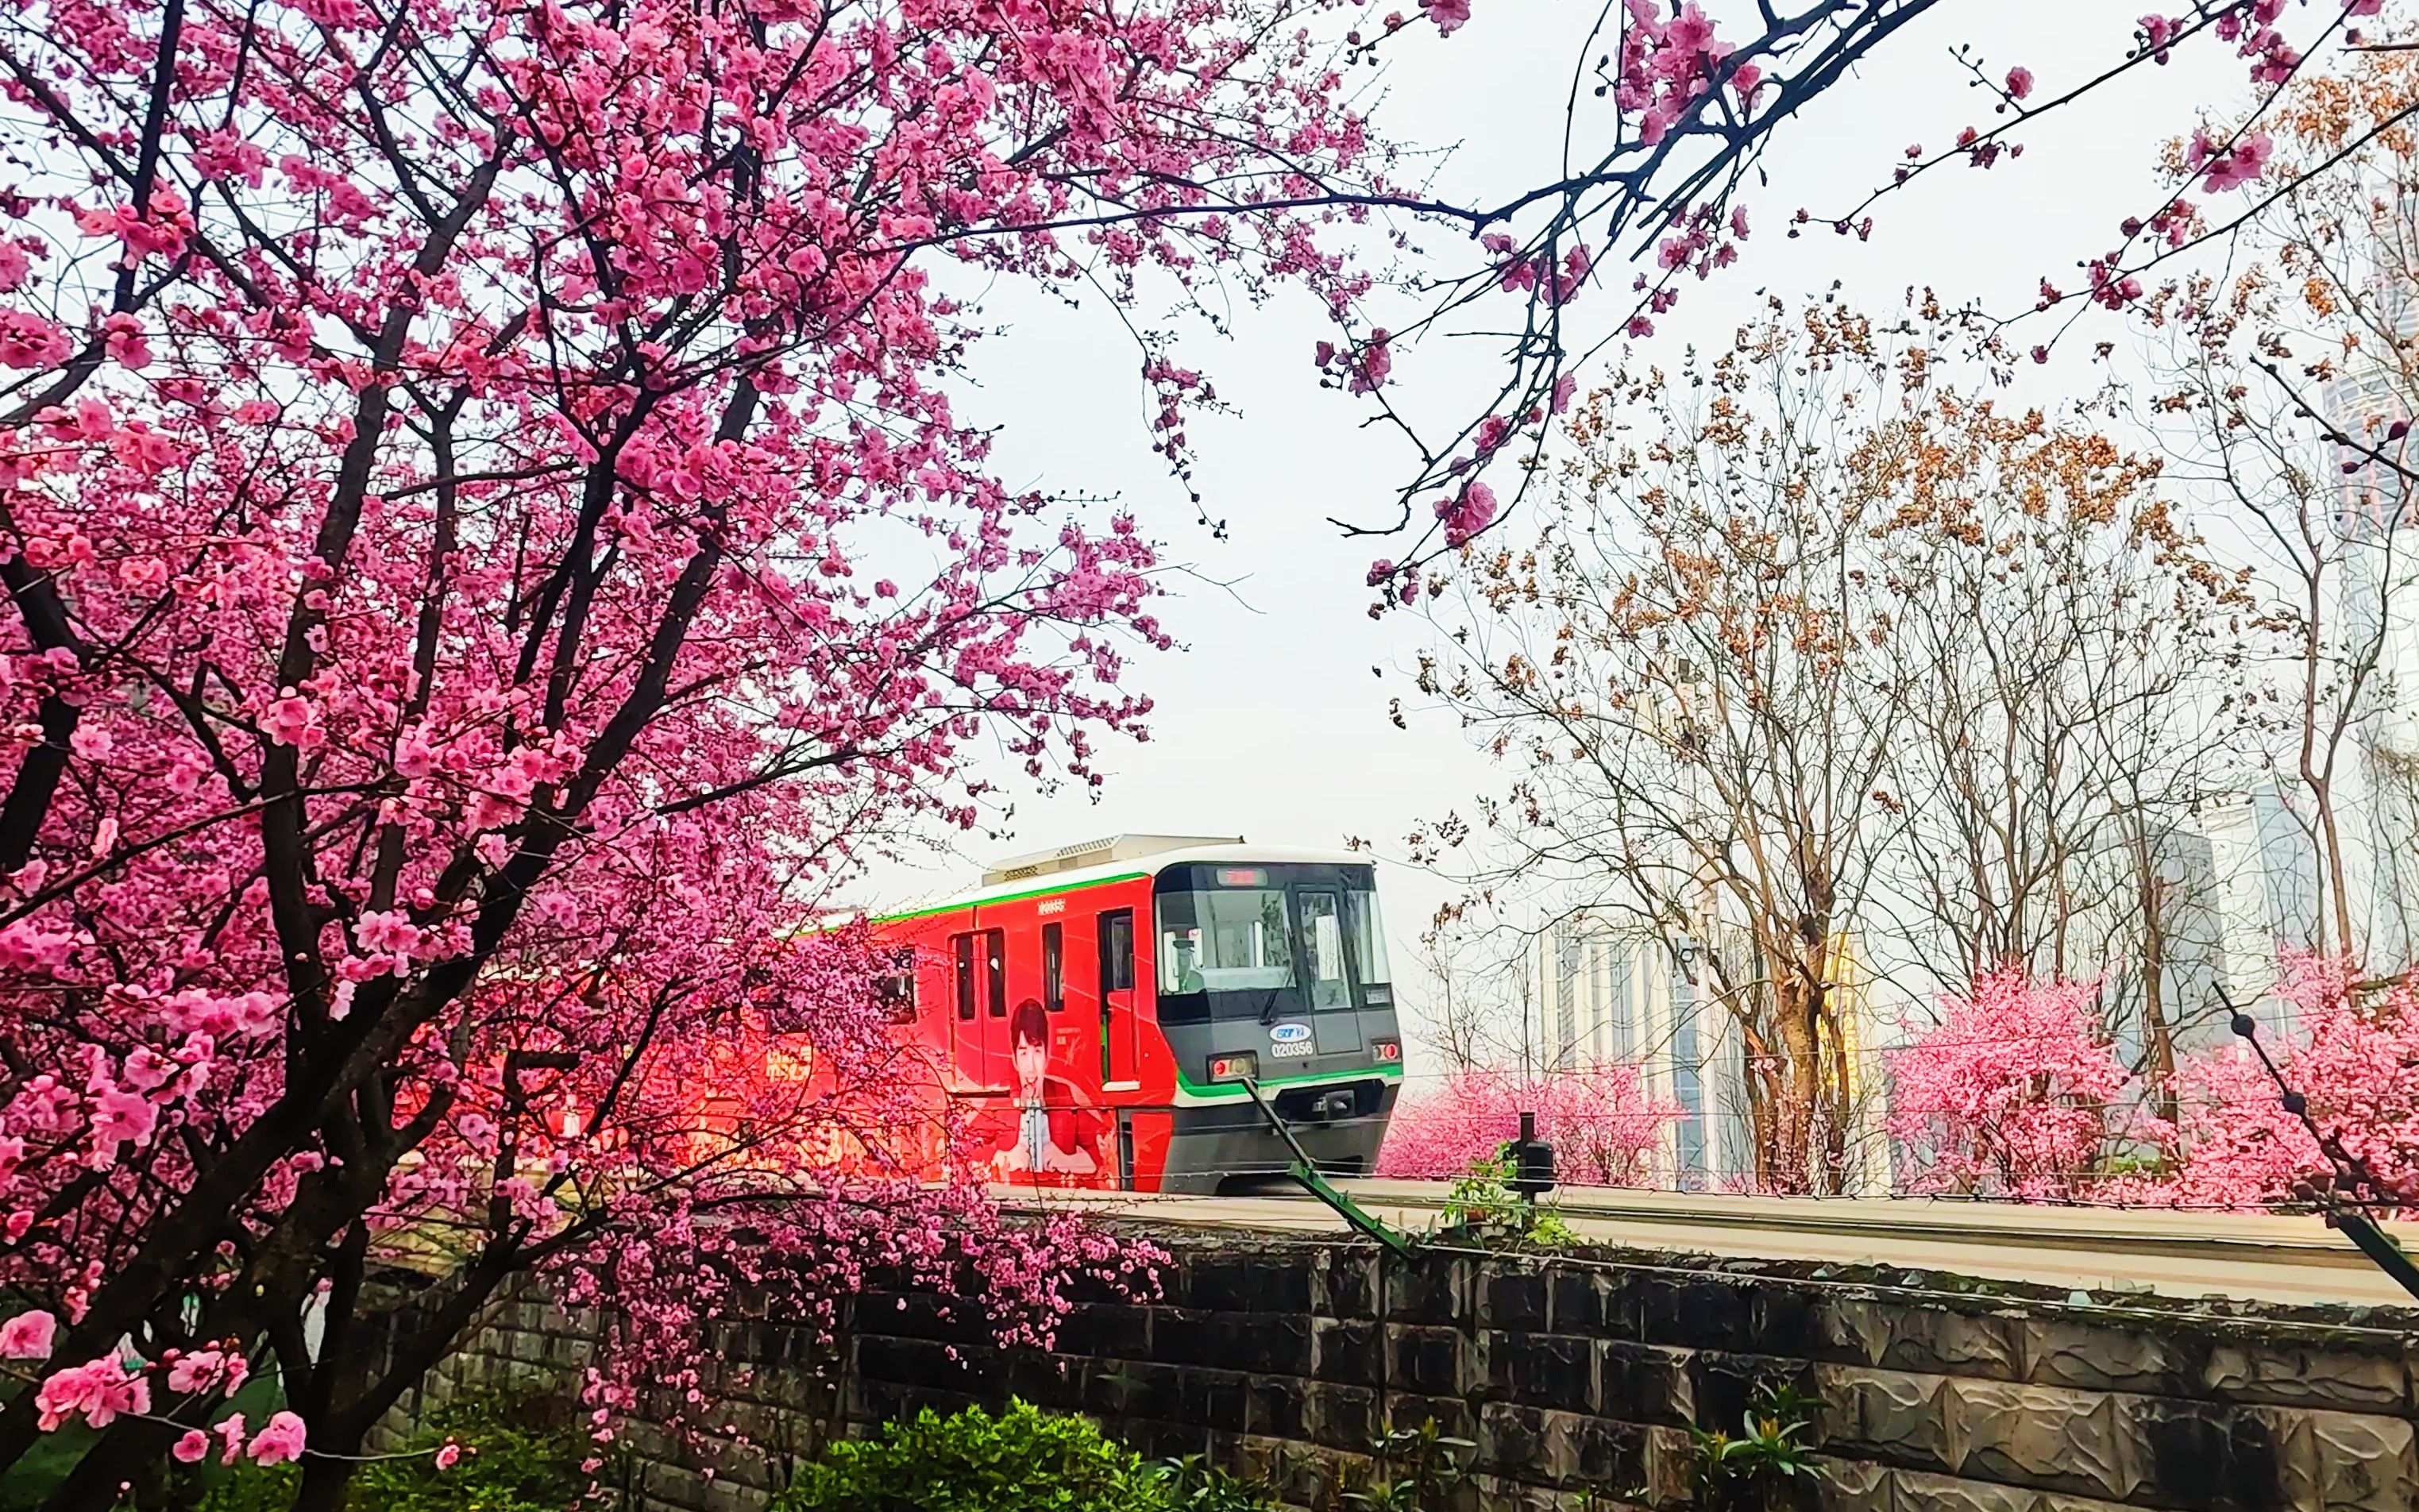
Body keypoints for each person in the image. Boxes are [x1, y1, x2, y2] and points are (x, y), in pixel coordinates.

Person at [990, 998, 1101, 1182]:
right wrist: (1002, 1157)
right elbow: (963, 1153)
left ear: (1047, 1055)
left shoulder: (1063, 1095)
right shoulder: (999, 1102)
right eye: (1024, 1053)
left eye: (1038, 1051)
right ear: (1015, 1058)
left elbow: (1102, 1151)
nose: (1031, 1066)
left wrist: (1067, 1161)